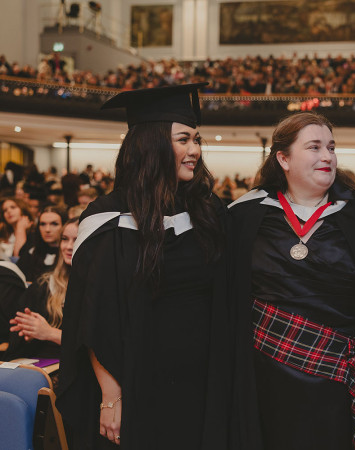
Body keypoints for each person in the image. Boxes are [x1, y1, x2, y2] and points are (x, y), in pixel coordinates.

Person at [56, 84, 229, 450]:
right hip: (137, 383)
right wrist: (111, 394)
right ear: (150, 143)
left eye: (197, 140)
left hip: (203, 385)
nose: (195, 150)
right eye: (184, 139)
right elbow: (93, 318)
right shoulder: (107, 220)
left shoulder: (206, 210)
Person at [229, 112, 355, 450]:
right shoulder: (244, 216)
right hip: (263, 378)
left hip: (336, 378)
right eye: (314, 147)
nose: (327, 156)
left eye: (331, 147)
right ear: (283, 158)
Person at [6, 218, 78, 360]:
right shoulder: (44, 284)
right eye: (64, 239)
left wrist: (50, 333)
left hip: (75, 367)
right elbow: (21, 341)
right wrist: (29, 331)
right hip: (42, 362)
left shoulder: (102, 289)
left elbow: (100, 345)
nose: (68, 246)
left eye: (76, 240)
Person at [17, 205, 67, 281]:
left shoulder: (68, 253)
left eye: (54, 224)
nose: (47, 229)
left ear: (64, 226)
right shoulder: (32, 250)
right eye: (43, 224)